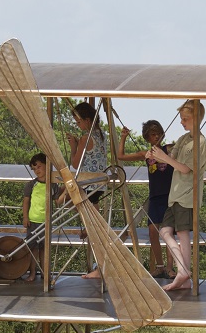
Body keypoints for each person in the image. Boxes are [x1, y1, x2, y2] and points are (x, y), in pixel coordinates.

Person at [147, 99, 206, 291]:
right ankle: (184, 272)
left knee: (182, 235)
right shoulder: (183, 140)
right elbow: (170, 159)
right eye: (182, 118)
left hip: (187, 196)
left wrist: (164, 157)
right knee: (165, 231)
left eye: (185, 119)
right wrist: (155, 156)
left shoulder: (200, 142)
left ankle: (184, 274)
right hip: (175, 196)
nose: (182, 122)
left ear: (196, 119)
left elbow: (184, 169)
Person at [116, 120, 175, 278]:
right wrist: (123, 137)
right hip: (155, 197)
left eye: (158, 133)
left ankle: (170, 268)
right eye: (152, 135)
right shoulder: (146, 155)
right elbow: (120, 156)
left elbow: (182, 150)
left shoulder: (168, 149)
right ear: (147, 138)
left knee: (169, 233)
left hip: (170, 196)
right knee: (152, 233)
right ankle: (160, 266)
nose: (156, 137)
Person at [68, 101, 109, 279]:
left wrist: (74, 146)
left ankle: (101, 267)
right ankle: (99, 265)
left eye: (78, 122)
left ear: (86, 120)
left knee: (94, 229)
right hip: (99, 184)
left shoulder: (86, 138)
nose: (78, 126)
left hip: (88, 185)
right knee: (93, 224)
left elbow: (75, 164)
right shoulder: (102, 135)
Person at [22, 152, 63, 282]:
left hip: (46, 222)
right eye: (34, 169)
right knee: (33, 248)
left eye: (39, 167)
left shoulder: (53, 185)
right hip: (33, 221)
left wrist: (67, 190)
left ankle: (45, 273)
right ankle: (32, 272)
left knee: (44, 249)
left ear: (47, 166)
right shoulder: (31, 185)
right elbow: (26, 201)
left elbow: (57, 202)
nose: (36, 171)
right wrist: (25, 217)